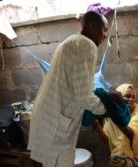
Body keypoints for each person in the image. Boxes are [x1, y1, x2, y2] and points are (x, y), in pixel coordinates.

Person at [27, 11, 108, 167]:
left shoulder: (70, 41)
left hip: (45, 117)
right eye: (103, 29)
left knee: (44, 162)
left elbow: (76, 85)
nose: (104, 35)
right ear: (92, 26)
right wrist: (105, 109)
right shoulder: (87, 45)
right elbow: (84, 96)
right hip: (56, 122)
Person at [93, 83, 138, 167]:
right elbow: (107, 140)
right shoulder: (112, 110)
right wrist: (96, 124)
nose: (131, 99)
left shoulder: (137, 110)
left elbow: (133, 135)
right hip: (118, 155)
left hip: (135, 154)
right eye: (127, 96)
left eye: (133, 97)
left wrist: (116, 116)